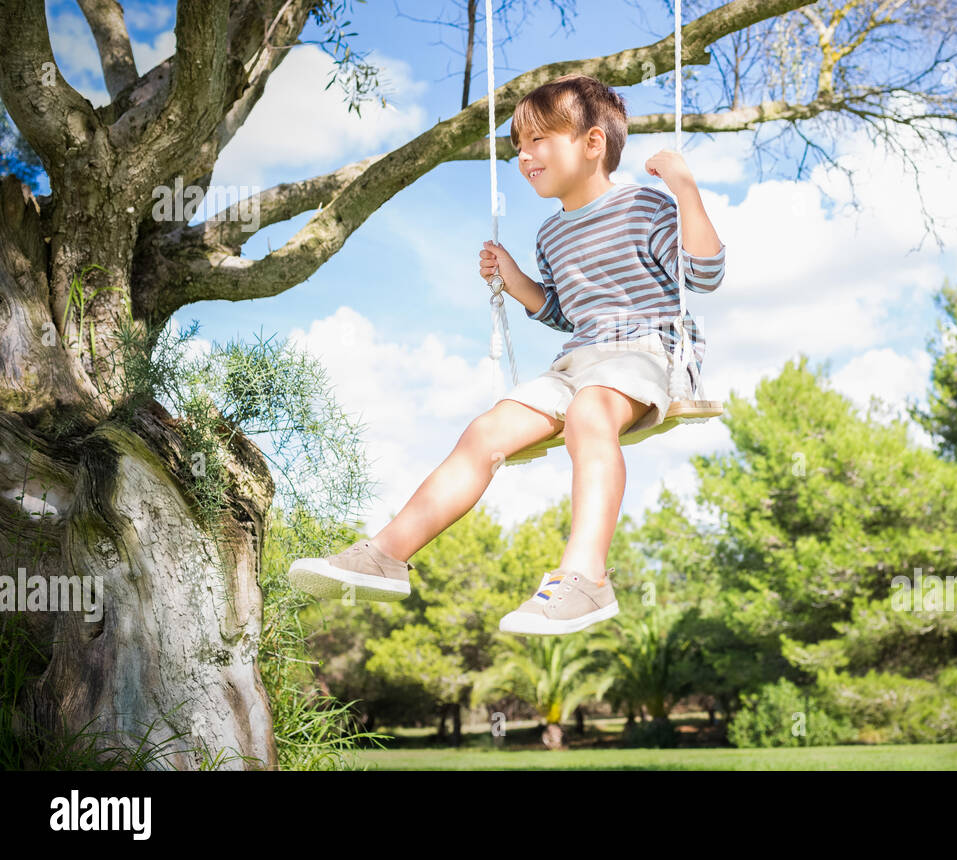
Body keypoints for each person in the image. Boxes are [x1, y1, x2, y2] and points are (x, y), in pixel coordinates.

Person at [288, 73, 726, 635]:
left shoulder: (643, 205)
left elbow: (704, 274)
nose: (524, 155)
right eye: (519, 146)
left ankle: (586, 578)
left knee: (591, 412)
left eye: (539, 139)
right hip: (581, 359)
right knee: (486, 430)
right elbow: (566, 314)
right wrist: (518, 281)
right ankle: (387, 554)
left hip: (647, 352)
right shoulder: (551, 234)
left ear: (593, 144)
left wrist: (686, 191)